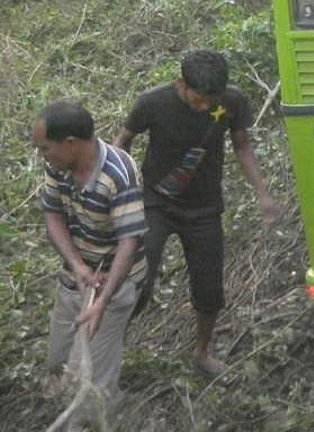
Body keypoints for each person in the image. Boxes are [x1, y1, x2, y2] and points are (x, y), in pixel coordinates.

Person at [114, 49, 280, 377]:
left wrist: (263, 195)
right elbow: (121, 144)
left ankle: (202, 353)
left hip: (204, 208)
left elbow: (242, 146)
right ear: (181, 83)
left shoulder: (232, 101)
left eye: (210, 100)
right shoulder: (152, 102)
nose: (204, 106)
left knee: (209, 289)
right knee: (137, 280)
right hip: (155, 204)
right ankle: (109, 345)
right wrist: (118, 193)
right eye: (198, 98)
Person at [34, 99, 146, 425]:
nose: (42, 155)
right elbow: (52, 214)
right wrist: (77, 265)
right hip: (76, 277)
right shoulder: (58, 164)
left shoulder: (118, 174)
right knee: (58, 362)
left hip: (116, 284)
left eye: (45, 148)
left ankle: (98, 417)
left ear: (70, 143)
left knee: (95, 379)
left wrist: (102, 302)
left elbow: (130, 242)